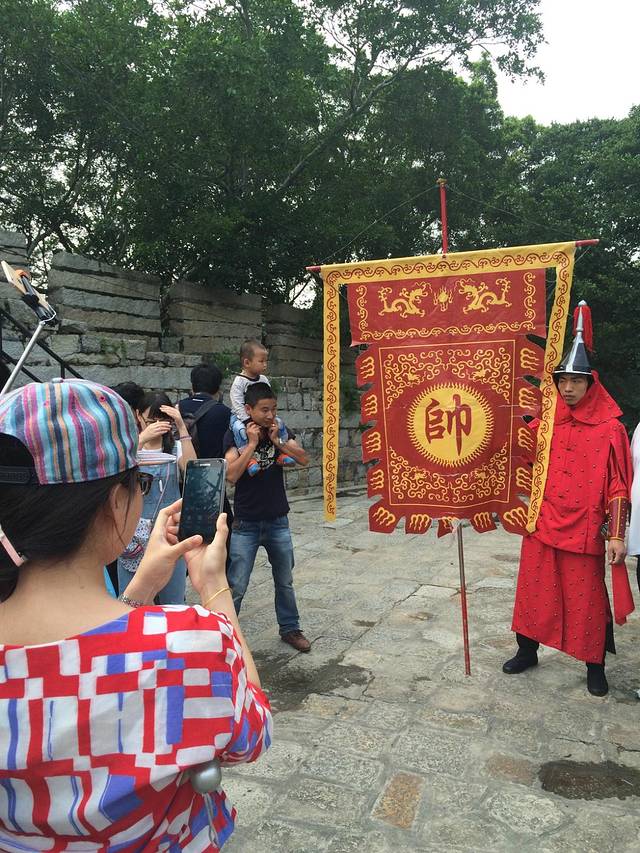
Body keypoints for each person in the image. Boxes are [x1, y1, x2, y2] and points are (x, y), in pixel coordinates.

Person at [0, 379, 271, 851]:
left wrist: (139, 588)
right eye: (140, 482)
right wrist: (215, 590)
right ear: (115, 501)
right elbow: (251, 733)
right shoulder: (187, 644)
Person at [503, 302, 633, 696]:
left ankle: (595, 665)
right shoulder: (545, 423)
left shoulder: (611, 430)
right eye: (563, 381)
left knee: (587, 600)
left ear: (591, 383)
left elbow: (618, 486)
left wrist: (616, 535)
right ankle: (527, 651)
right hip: (542, 522)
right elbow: (517, 454)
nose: (568, 388)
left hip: (585, 528)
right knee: (534, 591)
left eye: (576, 381)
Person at [224, 381, 311, 651]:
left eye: (273, 409)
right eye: (264, 410)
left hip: (277, 519)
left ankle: (290, 628)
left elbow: (303, 458)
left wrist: (278, 442)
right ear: (249, 409)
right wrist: (251, 444)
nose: (270, 414)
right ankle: (224, 636)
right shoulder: (235, 433)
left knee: (285, 581)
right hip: (246, 522)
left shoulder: (279, 429)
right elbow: (231, 475)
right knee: (237, 584)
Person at [118, 391, 197, 604]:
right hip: (134, 535)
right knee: (131, 602)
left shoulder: (175, 447)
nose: (157, 426)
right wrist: (142, 439)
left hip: (169, 533)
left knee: (173, 600)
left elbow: (192, 470)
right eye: (151, 421)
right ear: (138, 416)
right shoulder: (128, 447)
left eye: (163, 421)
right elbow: (118, 472)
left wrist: (181, 427)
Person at [229, 340, 294, 475]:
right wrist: (247, 421)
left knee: (279, 424)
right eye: (261, 361)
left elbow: (269, 397)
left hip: (262, 414)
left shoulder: (263, 379)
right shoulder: (239, 382)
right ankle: (249, 459)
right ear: (247, 362)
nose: (265, 365)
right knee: (239, 430)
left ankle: (282, 450)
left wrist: (271, 415)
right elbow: (237, 404)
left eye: (266, 361)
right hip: (241, 416)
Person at [179, 363, 231, 459]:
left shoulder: (176, 408)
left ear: (192, 386)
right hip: (213, 467)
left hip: (181, 466)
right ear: (218, 388)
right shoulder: (225, 413)